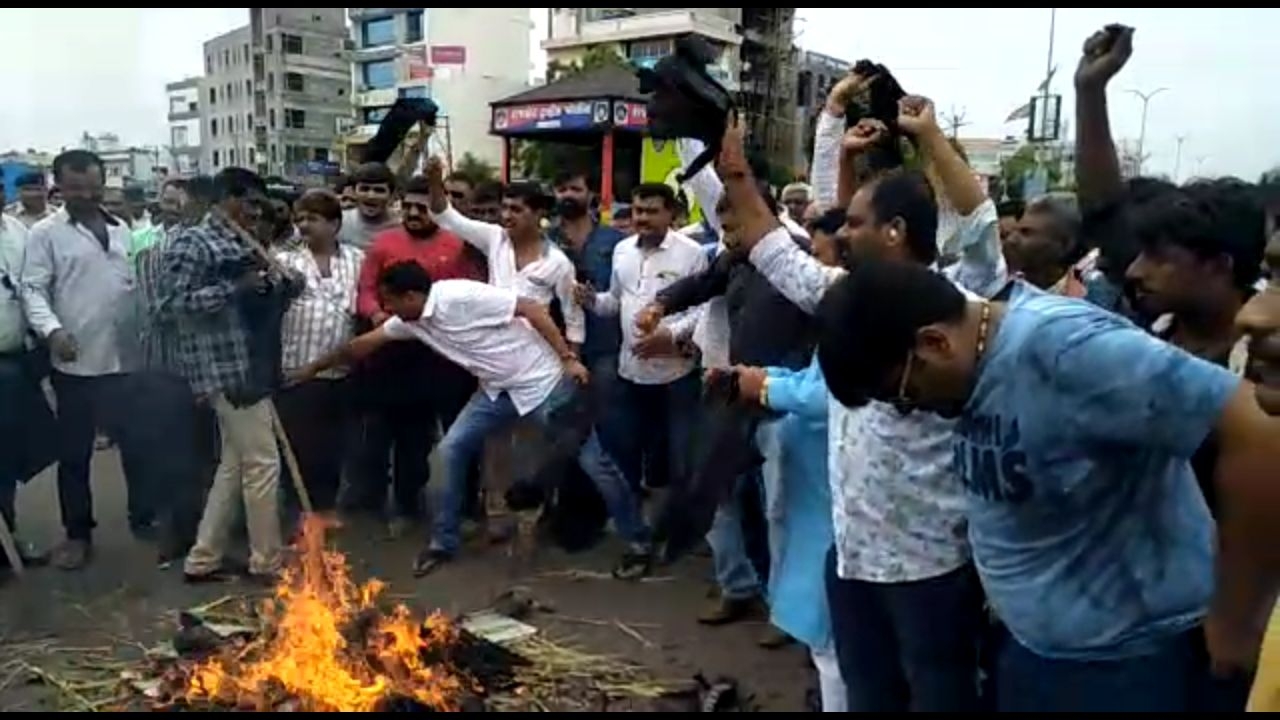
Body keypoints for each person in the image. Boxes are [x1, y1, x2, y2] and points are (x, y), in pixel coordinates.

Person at [814, 259, 1280, 711]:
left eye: (905, 395)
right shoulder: (978, 365)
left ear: (935, 343)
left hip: (1127, 664)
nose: (912, 410)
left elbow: (1259, 431)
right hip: (1035, 651)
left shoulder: (1066, 351)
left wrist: (1236, 616)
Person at [723, 92, 1001, 711]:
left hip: (931, 566)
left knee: (938, 697)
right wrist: (735, 171)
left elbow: (980, 231)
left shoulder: (957, 301)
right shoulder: (845, 295)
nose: (838, 232)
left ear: (895, 232)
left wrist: (930, 137)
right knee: (866, 693)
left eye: (854, 224)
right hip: (851, 559)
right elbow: (772, 250)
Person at [290, 262, 653, 579]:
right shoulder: (410, 321)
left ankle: (637, 541)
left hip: (544, 384)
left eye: (391, 301)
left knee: (595, 462)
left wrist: (567, 358)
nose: (387, 309)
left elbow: (531, 309)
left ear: (413, 295)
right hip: (496, 392)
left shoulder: (460, 297)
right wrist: (312, 369)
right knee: (450, 450)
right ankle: (442, 542)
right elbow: (362, 345)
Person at [159, 167, 297, 583]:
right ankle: (266, 561)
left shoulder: (243, 241)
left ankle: (203, 559)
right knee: (263, 463)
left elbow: (268, 293)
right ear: (228, 199)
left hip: (254, 361)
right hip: (224, 369)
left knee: (235, 466)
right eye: (251, 204)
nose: (258, 213)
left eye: (261, 206)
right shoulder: (193, 241)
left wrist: (280, 283)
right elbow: (171, 306)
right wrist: (234, 288)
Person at [20, 149, 152, 570]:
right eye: (75, 187)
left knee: (136, 444)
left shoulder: (122, 229)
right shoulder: (45, 233)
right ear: (59, 187)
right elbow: (32, 289)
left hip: (125, 359)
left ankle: (144, 519)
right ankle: (78, 533)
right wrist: (52, 330)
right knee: (75, 454)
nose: (85, 194)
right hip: (75, 362)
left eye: (92, 186)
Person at [350, 175, 484, 531]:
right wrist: (376, 314)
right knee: (409, 436)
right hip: (398, 354)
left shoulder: (458, 245)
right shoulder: (384, 243)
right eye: (406, 206)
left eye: (420, 207)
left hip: (448, 355)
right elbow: (366, 290)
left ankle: (468, 508)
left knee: (461, 433)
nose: (412, 213)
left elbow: (472, 293)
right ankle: (408, 507)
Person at [274, 190, 363, 526]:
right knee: (300, 443)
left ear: (335, 224)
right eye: (300, 219)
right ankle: (300, 508)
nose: (304, 225)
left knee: (334, 443)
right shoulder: (283, 260)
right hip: (297, 368)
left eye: (313, 218)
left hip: (342, 369)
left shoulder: (357, 259)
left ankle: (327, 506)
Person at [337, 162, 400, 249]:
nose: (371, 196)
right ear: (354, 192)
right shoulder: (339, 223)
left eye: (379, 190)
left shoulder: (401, 228)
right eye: (364, 189)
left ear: (391, 195)